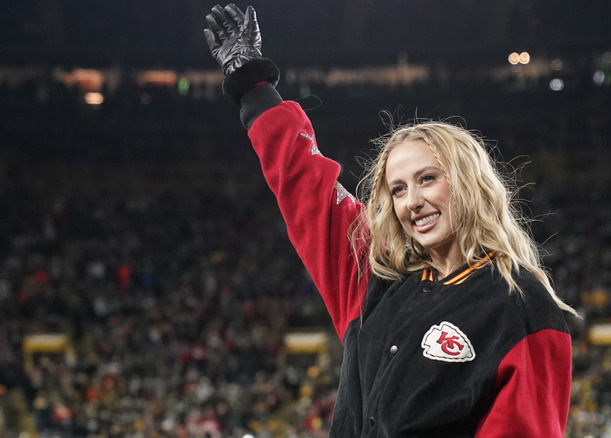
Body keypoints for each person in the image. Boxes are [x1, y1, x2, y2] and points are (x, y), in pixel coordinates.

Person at [204, 4, 578, 436]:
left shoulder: (520, 303)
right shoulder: (376, 275)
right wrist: (253, 85)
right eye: (398, 189)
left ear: (470, 184)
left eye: (428, 179)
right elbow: (307, 189)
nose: (412, 201)